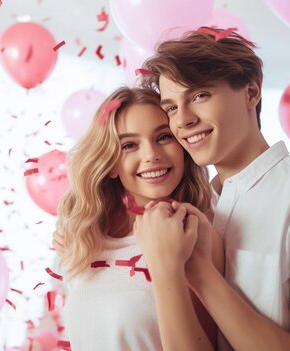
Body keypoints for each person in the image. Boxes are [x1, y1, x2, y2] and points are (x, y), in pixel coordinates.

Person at [135, 26, 290, 351]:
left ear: (251, 92)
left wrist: (202, 274)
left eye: (199, 95)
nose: (183, 120)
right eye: (170, 107)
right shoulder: (191, 207)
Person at [54, 86, 224, 350]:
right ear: (110, 163)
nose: (151, 155)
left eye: (164, 137)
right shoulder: (81, 239)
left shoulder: (194, 233)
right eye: (129, 145)